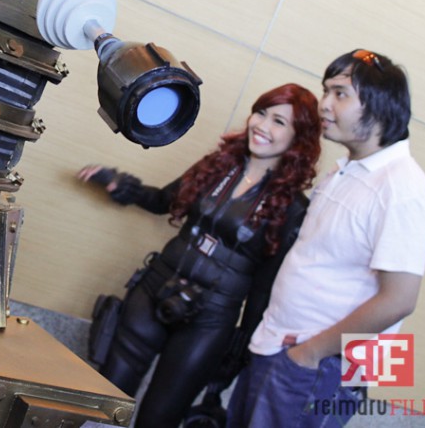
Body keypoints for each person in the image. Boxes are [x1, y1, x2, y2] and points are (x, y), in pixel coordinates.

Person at [79, 83, 322, 428]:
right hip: (156, 287)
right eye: (261, 113)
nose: (263, 126)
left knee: (161, 416)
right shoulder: (219, 165)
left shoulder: (293, 208)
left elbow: (264, 287)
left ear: (299, 138)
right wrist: (119, 184)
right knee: (107, 398)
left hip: (210, 318)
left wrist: (242, 346)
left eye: (279, 122)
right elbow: (163, 201)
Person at [226, 50, 425, 427]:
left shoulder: (404, 185)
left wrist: (310, 354)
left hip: (320, 367)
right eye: (326, 91)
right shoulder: (344, 170)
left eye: (340, 93)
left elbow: (401, 300)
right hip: (280, 348)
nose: (324, 104)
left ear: (380, 105)